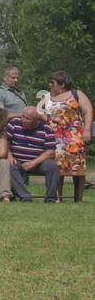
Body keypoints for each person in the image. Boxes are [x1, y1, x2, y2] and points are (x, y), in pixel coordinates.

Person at [37, 70, 91, 203]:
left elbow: (88, 111)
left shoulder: (76, 94)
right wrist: (46, 119)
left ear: (61, 84)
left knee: (77, 169)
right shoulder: (47, 97)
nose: (50, 85)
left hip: (75, 138)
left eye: (53, 82)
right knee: (56, 168)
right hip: (53, 139)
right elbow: (40, 112)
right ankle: (57, 198)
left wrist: (87, 130)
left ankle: (78, 199)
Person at [4, 106, 61, 202]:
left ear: (36, 120)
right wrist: (9, 156)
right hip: (17, 160)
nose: (24, 120)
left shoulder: (46, 129)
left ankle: (50, 198)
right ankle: (25, 197)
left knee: (53, 166)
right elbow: (5, 141)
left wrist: (33, 163)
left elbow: (50, 152)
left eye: (28, 119)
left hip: (38, 162)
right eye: (23, 117)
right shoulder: (14, 123)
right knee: (10, 165)